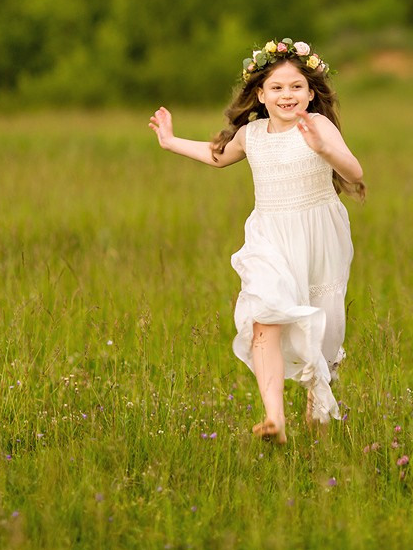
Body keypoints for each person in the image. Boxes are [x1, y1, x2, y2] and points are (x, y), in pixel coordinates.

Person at [149, 39, 365, 444]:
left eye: (297, 87)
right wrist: (170, 141)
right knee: (264, 315)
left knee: (324, 329)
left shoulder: (318, 127)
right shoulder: (251, 134)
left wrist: (324, 149)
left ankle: (317, 399)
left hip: (319, 236)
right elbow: (218, 156)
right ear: (260, 96)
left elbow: (354, 172)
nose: (288, 95)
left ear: (311, 92)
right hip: (269, 235)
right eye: (278, 88)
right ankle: (274, 417)